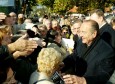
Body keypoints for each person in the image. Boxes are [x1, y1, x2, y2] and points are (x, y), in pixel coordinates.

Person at [62, 20, 115, 84]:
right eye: (80, 31)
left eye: (83, 32)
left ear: (94, 34)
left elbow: (104, 76)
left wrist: (83, 80)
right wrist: (63, 63)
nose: (80, 35)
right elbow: (74, 55)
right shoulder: (82, 41)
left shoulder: (107, 51)